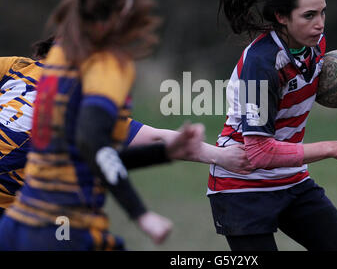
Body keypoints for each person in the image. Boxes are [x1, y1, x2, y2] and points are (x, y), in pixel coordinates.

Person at [0, 0, 250, 251]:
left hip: (15, 226)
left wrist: (165, 151)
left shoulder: (52, 67)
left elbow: (87, 156)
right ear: (122, 8)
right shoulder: (104, 68)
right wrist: (141, 214)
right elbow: (94, 147)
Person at [207, 0, 337, 251]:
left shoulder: (315, 42)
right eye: (309, 15)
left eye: (323, 12)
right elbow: (259, 152)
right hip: (242, 187)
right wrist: (333, 148)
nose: (320, 23)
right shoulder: (260, 65)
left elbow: (307, 79)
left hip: (291, 180)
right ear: (281, 17)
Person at [0, 38, 251, 218]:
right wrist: (221, 156)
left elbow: (155, 139)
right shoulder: (19, 68)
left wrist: (222, 156)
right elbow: (156, 139)